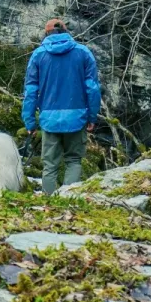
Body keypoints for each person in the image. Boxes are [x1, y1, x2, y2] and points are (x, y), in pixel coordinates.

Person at [22, 18, 101, 195]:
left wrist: (29, 122)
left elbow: (30, 91)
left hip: (49, 120)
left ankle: (49, 203)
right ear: (66, 31)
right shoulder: (83, 52)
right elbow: (92, 88)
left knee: (50, 166)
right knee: (73, 161)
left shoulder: (38, 55)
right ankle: (67, 202)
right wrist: (92, 117)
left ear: (46, 33)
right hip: (77, 117)